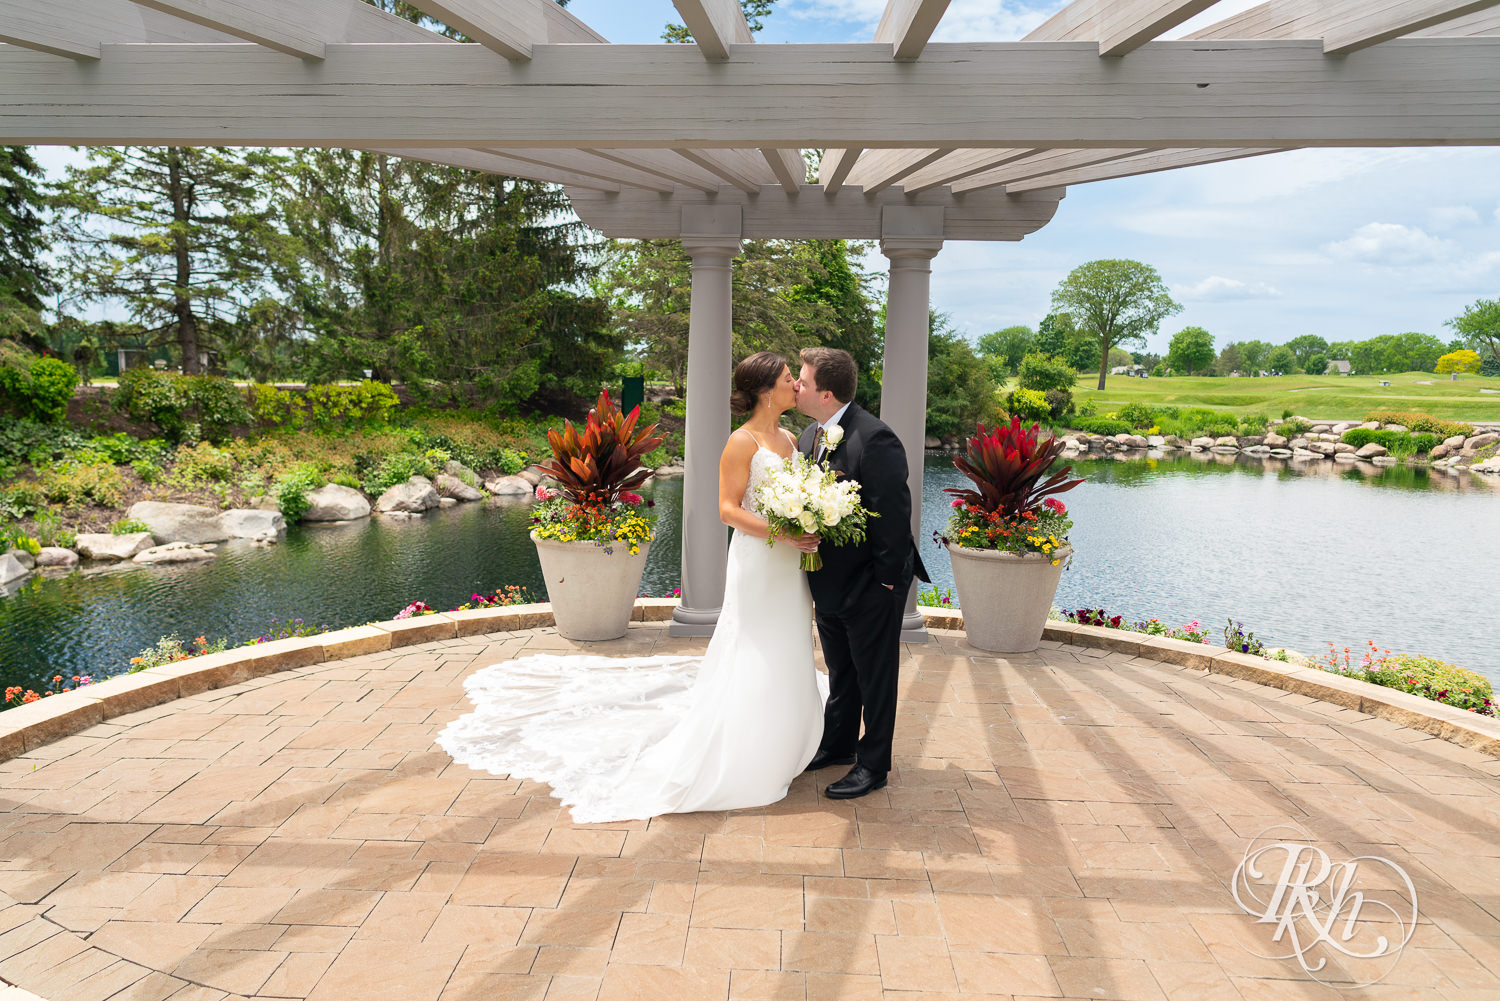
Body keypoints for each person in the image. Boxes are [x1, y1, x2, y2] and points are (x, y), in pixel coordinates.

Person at [436, 352, 826, 822]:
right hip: (760, 561)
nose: (795, 386)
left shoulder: (789, 438)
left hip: (790, 565)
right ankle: (750, 749)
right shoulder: (740, 443)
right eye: (789, 380)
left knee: (788, 642)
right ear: (767, 390)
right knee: (755, 645)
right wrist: (783, 532)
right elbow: (727, 510)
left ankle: (790, 738)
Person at [795, 347, 928, 800]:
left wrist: (887, 582)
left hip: (873, 581)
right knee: (841, 670)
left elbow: (893, 513)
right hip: (830, 580)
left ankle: (874, 765)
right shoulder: (809, 434)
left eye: (803, 379)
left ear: (826, 393)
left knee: (875, 675)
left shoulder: (875, 438)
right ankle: (838, 745)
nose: (796, 385)